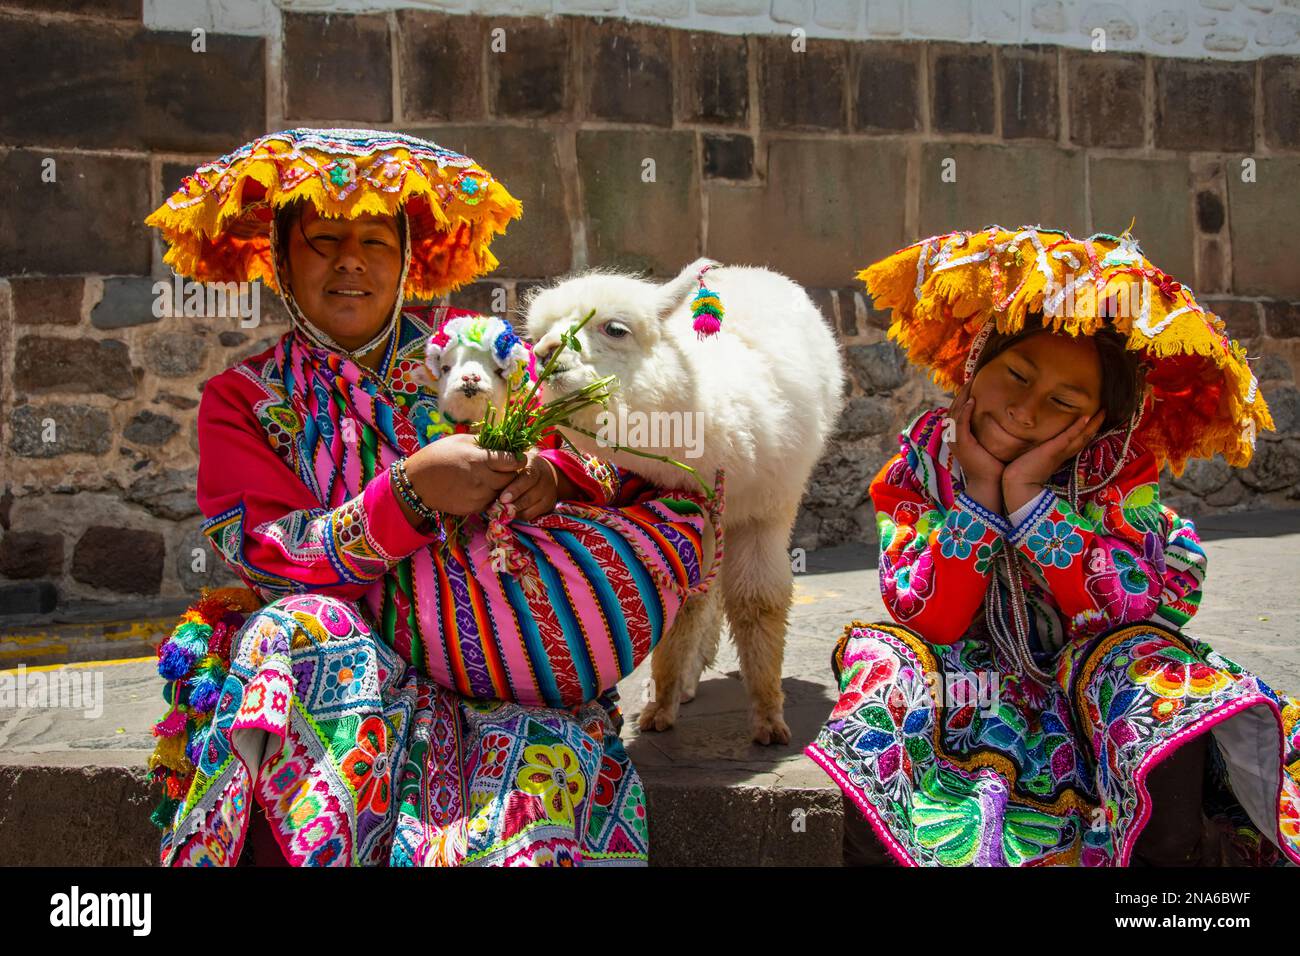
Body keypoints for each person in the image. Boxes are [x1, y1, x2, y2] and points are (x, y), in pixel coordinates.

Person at [144, 129, 719, 867]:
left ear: (407, 259)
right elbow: (270, 555)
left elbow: (608, 460)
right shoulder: (245, 401)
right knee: (286, 634)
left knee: (537, 789)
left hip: (512, 672)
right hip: (356, 669)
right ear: (281, 257)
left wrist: (553, 478)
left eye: (377, 242)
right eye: (322, 238)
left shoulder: (484, 356)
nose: (351, 260)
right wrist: (409, 497)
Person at [807, 225, 1300, 867]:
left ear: (1097, 423)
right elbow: (933, 616)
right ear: (975, 366)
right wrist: (983, 496)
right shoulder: (919, 471)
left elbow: (1120, 610)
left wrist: (1035, 501)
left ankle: (1173, 864)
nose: (1024, 410)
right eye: (1015, 374)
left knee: (1151, 659)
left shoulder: (1118, 484)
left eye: (1062, 402)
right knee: (883, 656)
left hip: (1088, 694)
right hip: (964, 689)